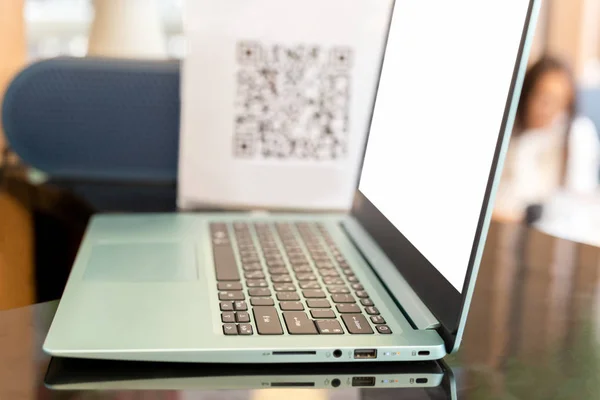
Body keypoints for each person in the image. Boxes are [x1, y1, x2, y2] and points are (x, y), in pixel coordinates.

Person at [493, 56, 600, 222]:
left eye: (559, 102)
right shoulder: (509, 135)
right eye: (543, 98)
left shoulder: (576, 135)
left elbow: (579, 204)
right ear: (526, 95)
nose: (548, 110)